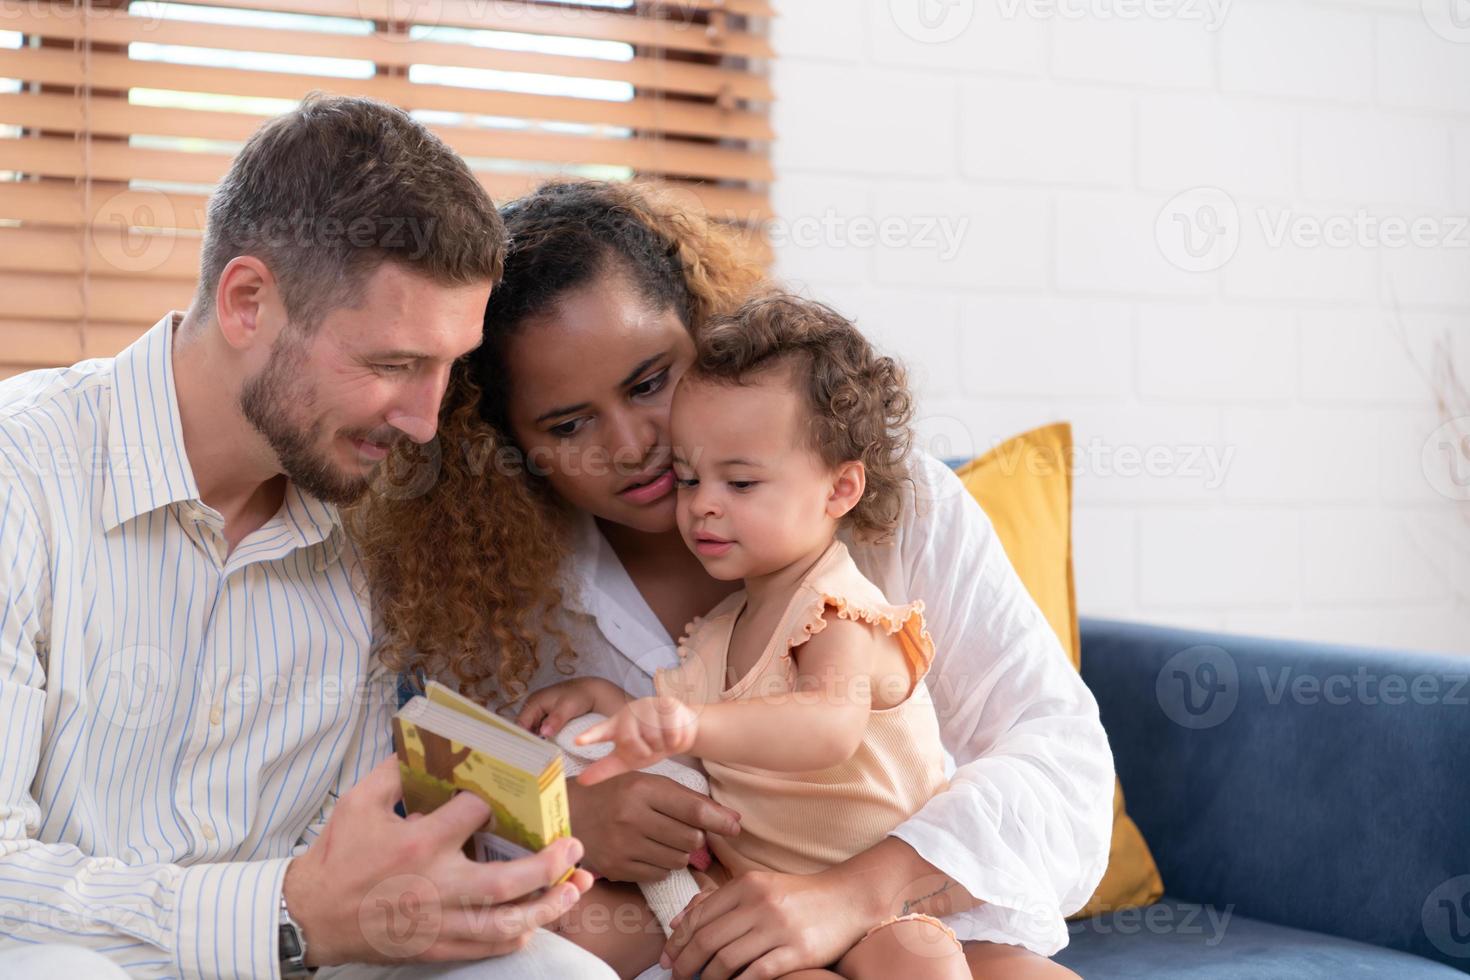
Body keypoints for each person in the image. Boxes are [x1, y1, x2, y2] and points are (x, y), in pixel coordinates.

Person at [356, 179, 1115, 980]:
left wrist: (854, 893)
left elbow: (1064, 769)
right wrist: (573, 817)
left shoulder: (899, 509)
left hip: (929, 915)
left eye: (651, 382)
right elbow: (435, 805)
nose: (632, 444)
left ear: (707, 336)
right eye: (569, 424)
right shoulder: (485, 588)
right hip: (705, 934)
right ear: (512, 442)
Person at [0, 95, 606, 979]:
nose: (425, 420)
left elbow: (354, 857)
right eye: (393, 364)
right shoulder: (23, 475)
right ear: (248, 302)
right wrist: (284, 915)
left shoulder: (378, 517)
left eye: (447, 368)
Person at [520, 292, 971, 980]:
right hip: (764, 894)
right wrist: (609, 702)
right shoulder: (721, 630)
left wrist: (688, 725)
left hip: (877, 896)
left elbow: (827, 726)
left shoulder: (836, 608)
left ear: (840, 489)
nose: (703, 504)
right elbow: (684, 732)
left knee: (922, 958)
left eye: (740, 482)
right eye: (691, 477)